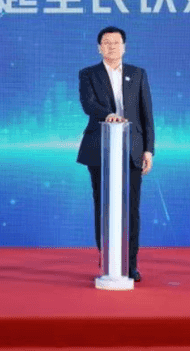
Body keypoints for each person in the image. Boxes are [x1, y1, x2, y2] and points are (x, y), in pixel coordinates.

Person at [77, 26, 155, 282]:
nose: (112, 46)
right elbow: (88, 104)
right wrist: (108, 115)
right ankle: (108, 259)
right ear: (99, 47)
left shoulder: (138, 74)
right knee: (103, 205)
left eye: (116, 42)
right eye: (106, 42)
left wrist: (149, 149)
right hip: (100, 147)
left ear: (125, 46)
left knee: (131, 208)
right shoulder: (88, 74)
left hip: (132, 149)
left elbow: (146, 114)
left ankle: (130, 265)